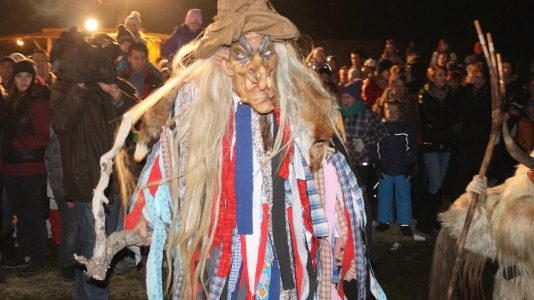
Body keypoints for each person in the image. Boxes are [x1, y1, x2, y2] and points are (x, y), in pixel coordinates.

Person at [84, 1, 386, 299]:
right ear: (223, 61)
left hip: (275, 247)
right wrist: (149, 216)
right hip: (214, 243)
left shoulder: (295, 105)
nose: (259, 70)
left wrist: (339, 228)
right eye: (243, 54)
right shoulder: (194, 104)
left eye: (266, 52)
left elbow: (323, 165)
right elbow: (170, 165)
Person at [49, 30, 137, 298]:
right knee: (96, 248)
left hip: (112, 179)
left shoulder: (115, 86)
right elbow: (61, 124)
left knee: (97, 246)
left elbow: (139, 115)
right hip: (87, 180)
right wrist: (81, 87)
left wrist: (115, 96)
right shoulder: (65, 87)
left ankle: (82, 295)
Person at [0, 60, 50, 277]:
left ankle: (37, 259)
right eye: (19, 76)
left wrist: (17, 144)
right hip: (12, 168)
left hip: (30, 168)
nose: (23, 81)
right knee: (21, 215)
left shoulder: (37, 102)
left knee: (33, 214)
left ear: (33, 79)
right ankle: (24, 254)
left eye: (27, 77)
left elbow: (43, 136)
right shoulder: (13, 101)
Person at [417, 66, 458, 234]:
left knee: (439, 184)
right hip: (431, 143)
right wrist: (443, 121)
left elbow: (455, 115)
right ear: (432, 78)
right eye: (440, 75)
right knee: (435, 182)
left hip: (445, 142)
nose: (443, 78)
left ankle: (431, 219)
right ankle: (423, 221)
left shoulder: (450, 94)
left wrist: (444, 121)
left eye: (444, 75)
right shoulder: (425, 94)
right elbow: (428, 117)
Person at [371, 100, 417, 236]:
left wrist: (412, 165)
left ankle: (404, 223)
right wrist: (377, 164)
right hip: (385, 170)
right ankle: (384, 221)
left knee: (404, 196)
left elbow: (412, 148)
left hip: (403, 170)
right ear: (384, 111)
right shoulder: (379, 128)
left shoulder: (406, 129)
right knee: (384, 196)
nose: (391, 113)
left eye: (395, 111)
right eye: (388, 110)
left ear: (400, 113)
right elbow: (375, 147)